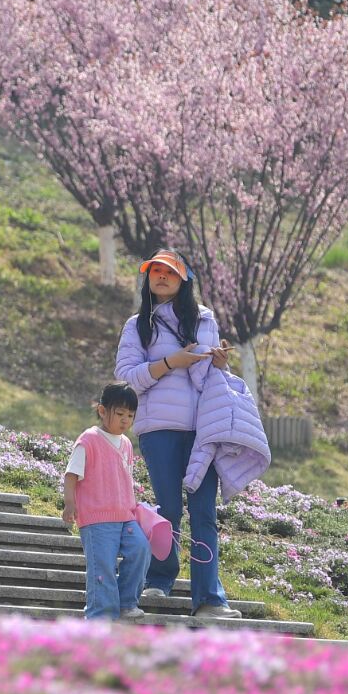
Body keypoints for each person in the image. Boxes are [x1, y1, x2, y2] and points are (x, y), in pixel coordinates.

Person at [113, 249, 243, 620]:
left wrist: (220, 363)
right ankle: (160, 576)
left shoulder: (204, 318)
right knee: (168, 509)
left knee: (204, 512)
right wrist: (171, 362)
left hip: (203, 429)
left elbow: (211, 377)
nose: (161, 276)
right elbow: (126, 378)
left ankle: (209, 599)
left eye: (170, 272)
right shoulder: (137, 325)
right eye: (155, 271)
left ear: (184, 279)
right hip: (158, 429)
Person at [61, 382, 148, 623]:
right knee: (103, 567)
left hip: (126, 515)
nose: (125, 420)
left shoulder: (127, 444)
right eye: (120, 414)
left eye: (130, 415)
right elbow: (71, 474)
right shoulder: (89, 439)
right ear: (102, 410)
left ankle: (127, 603)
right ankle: (101, 615)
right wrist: (70, 504)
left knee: (141, 548)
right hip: (96, 518)